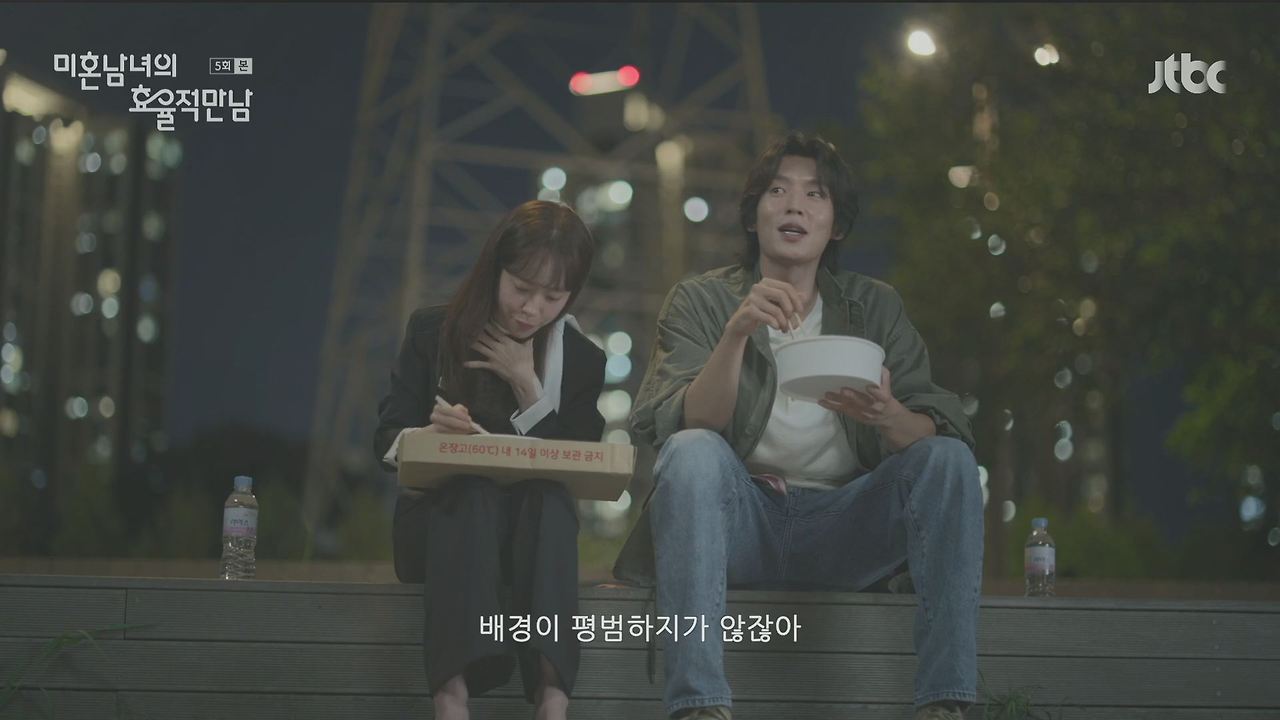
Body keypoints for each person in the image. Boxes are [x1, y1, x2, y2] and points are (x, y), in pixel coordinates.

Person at [612, 131, 983, 720]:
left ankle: (946, 701)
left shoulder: (874, 307)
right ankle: (699, 705)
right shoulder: (701, 301)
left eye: (815, 194)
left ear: (836, 226)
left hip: (847, 525)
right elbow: (688, 421)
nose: (794, 206)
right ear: (753, 216)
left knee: (949, 458)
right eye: (777, 191)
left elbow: (941, 430)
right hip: (743, 523)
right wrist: (736, 333)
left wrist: (888, 415)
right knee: (691, 449)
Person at [375, 200, 606, 720]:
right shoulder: (433, 331)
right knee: (471, 486)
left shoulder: (583, 359)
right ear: (494, 270)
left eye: (553, 297)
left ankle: (553, 700)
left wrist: (528, 387)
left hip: (533, 543)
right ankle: (451, 699)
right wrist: (430, 437)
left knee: (550, 498)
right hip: (442, 530)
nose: (531, 309)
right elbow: (385, 438)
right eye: (521, 288)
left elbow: (580, 461)